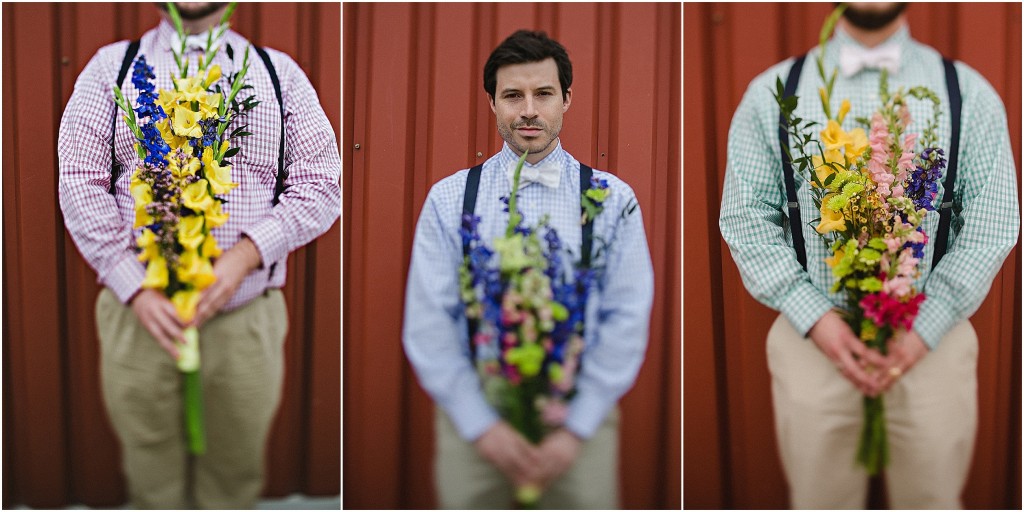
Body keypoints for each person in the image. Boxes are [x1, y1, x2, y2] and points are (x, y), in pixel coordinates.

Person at [719, 3, 1018, 509]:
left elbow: (992, 223)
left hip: (931, 341)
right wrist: (814, 318)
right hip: (813, 340)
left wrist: (930, 321)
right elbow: (747, 218)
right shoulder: (773, 92)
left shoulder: (967, 92)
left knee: (933, 501)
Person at [58, 2, 340, 508]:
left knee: (234, 480)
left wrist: (245, 258)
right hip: (140, 316)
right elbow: (80, 180)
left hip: (244, 317)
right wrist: (135, 285)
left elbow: (321, 185)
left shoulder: (277, 74)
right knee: (152, 482)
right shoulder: (112, 68)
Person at [402, 30, 654, 509]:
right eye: (512, 95)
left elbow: (627, 314)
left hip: (578, 427)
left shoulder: (613, 199)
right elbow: (429, 320)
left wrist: (576, 428)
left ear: (567, 99)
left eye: (544, 94)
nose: (529, 110)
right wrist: (482, 427)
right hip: (474, 427)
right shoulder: (450, 198)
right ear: (493, 103)